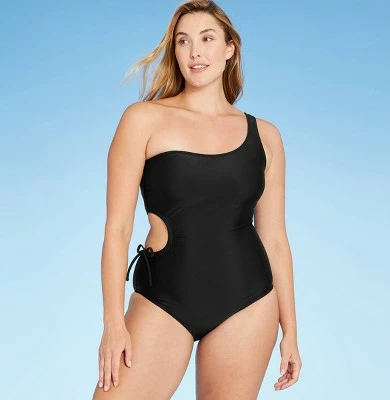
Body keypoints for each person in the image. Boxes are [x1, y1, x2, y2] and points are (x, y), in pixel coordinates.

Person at [92, 1, 302, 398]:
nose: (195, 52)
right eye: (183, 41)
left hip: (248, 301)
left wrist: (290, 331)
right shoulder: (142, 120)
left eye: (207, 39)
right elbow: (117, 229)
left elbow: (275, 239)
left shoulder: (266, 137)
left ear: (229, 49)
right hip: (164, 298)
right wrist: (113, 323)